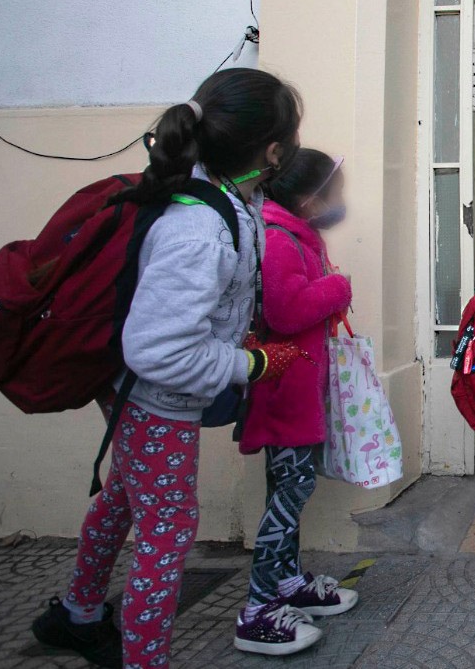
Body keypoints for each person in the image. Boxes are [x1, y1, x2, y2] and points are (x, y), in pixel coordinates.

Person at [31, 69, 307, 669]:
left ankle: (77, 614)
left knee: (123, 498)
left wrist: (237, 335)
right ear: (272, 151)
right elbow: (159, 351)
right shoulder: (199, 230)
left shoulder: (230, 197)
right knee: (169, 529)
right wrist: (250, 363)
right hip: (153, 399)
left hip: (141, 395)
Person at [234, 149, 359, 655]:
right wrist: (337, 288)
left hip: (295, 391)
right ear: (309, 200)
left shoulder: (295, 234)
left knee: (289, 488)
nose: (340, 201)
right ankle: (258, 609)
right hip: (282, 393)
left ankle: (287, 584)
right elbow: (286, 311)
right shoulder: (282, 239)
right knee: (292, 490)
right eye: (335, 192)